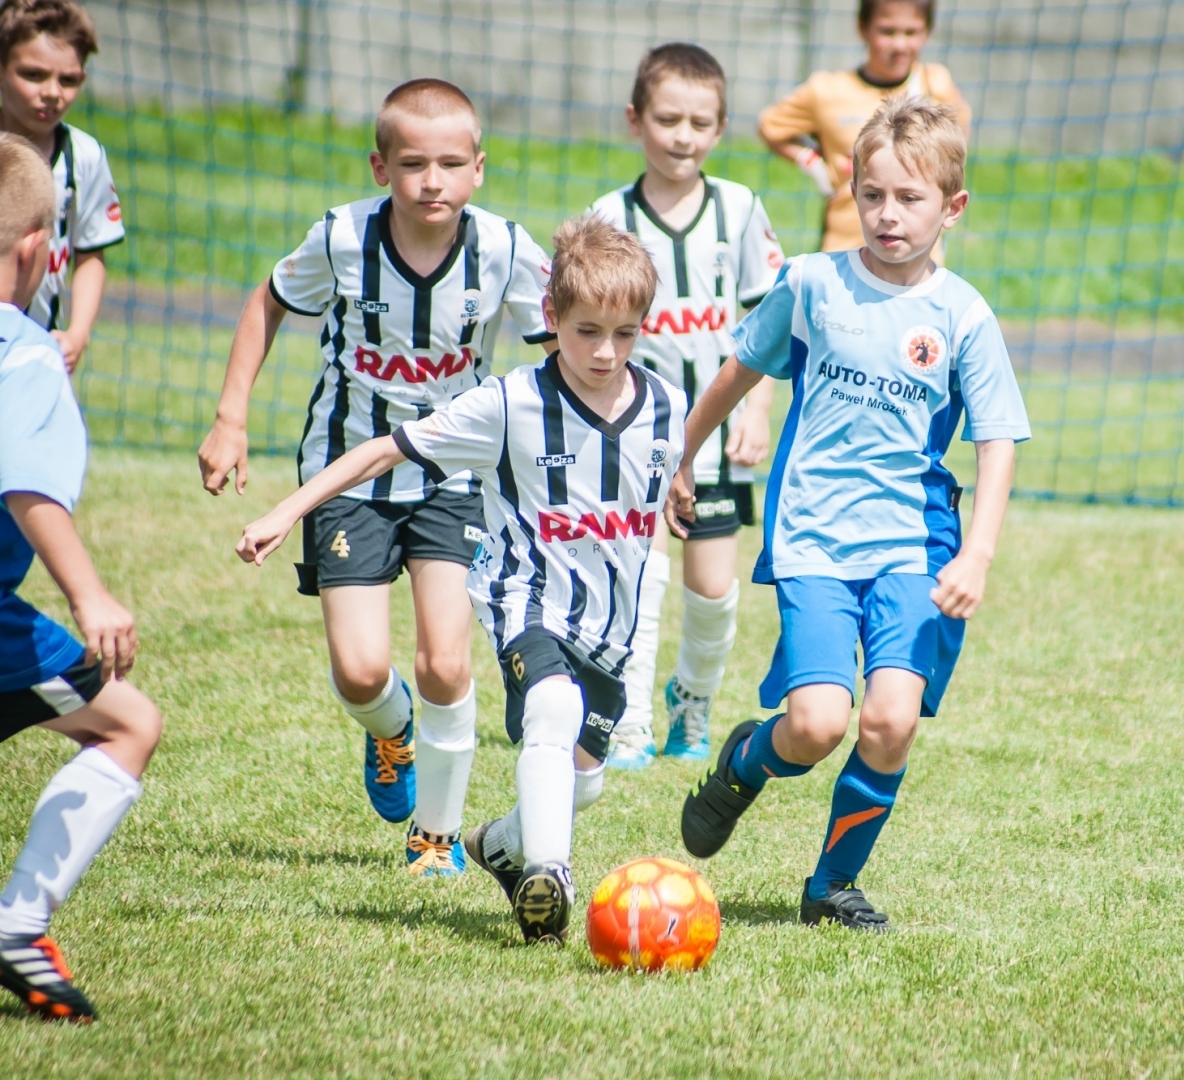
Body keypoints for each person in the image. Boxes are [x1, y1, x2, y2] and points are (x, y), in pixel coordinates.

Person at [236, 215, 680, 944]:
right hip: (526, 603)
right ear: (551, 318)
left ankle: (500, 846)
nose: (606, 352)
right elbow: (383, 449)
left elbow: (658, 480)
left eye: (625, 334)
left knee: (585, 779)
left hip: (610, 627)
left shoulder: (666, 404)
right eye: (587, 331)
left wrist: (681, 493)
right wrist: (288, 510)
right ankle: (550, 875)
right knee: (550, 710)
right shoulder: (508, 403)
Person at [672, 98, 1028, 930]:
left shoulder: (963, 315)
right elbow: (737, 371)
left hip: (915, 541)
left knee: (890, 719)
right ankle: (745, 766)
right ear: (852, 191)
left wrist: (976, 555)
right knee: (817, 723)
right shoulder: (811, 283)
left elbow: (998, 440)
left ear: (953, 208)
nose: (888, 215)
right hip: (813, 538)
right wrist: (684, 456)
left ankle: (831, 886)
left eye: (910, 199)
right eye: (873, 196)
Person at [197, 79, 553, 877]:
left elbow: (561, 347)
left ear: (479, 168)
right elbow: (269, 301)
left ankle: (436, 837)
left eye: (452, 163)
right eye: (414, 163)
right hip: (344, 472)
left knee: (446, 663)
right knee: (361, 672)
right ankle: (392, 733)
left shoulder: (503, 249)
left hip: (451, 477)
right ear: (380, 165)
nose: (434, 180)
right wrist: (231, 415)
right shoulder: (340, 237)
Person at [0, 132, 161, 1023]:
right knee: (129, 721)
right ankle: (18, 924)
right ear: (37, 250)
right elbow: (27, 482)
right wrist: (89, 594)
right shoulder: (23, 353)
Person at [589, 43, 784, 770]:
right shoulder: (609, 215)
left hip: (717, 440)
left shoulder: (740, 209)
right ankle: (627, 721)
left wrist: (758, 409)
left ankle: (691, 703)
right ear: (635, 120)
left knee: (713, 590)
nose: (683, 135)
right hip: (630, 435)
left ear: (721, 128)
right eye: (667, 118)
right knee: (635, 582)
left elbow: (768, 321)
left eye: (700, 122)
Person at [758, 0, 969, 256]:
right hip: (845, 248)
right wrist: (813, 163)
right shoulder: (826, 91)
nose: (899, 45)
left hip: (917, 258)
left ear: (927, 31)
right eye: (887, 31)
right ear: (863, 28)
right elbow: (770, 126)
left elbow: (958, 146)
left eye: (911, 32)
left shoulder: (935, 84)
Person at [0, 0, 123, 369]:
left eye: (67, 80)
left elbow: (91, 253)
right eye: (34, 74)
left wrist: (78, 333)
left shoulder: (84, 157)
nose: (52, 92)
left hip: (36, 353)